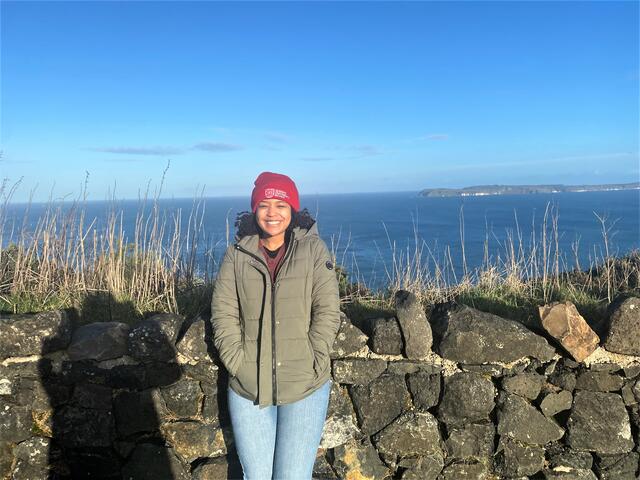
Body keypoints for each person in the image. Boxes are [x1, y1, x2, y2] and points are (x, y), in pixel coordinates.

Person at [210, 171, 341, 480]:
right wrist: (237, 363)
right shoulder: (236, 255)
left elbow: (327, 310)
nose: (272, 213)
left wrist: (314, 358)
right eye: (265, 205)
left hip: (305, 385)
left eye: (281, 205)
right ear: (254, 210)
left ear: (292, 210)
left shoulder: (313, 250)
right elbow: (223, 313)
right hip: (248, 388)